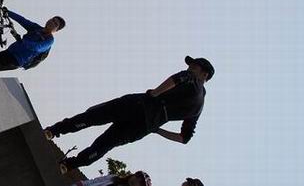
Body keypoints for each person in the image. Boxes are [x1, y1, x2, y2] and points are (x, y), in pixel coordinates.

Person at [44, 57, 215, 171]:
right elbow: (184, 138)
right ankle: (68, 165)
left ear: (204, 74)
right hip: (144, 127)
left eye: (194, 66)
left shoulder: (193, 79)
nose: (189, 67)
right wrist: (157, 130)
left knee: (93, 116)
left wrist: (155, 93)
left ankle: (53, 131)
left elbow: (178, 78)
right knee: (105, 144)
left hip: (139, 105)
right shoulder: (199, 107)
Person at [0, 10, 64, 78]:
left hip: (16, 60)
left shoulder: (49, 40)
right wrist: (8, 12)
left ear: (56, 30)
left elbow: (37, 47)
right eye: (52, 20)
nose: (52, 22)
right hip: (9, 52)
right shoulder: (36, 28)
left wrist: (22, 40)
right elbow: (22, 20)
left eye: (55, 24)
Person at [74, 171, 152, 186]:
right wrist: (80, 184)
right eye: (138, 176)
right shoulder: (113, 178)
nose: (136, 180)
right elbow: (93, 181)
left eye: (141, 183)